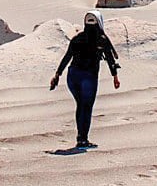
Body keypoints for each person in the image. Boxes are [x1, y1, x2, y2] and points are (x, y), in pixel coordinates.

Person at [50, 10, 121, 149]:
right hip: (88, 77)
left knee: (80, 105)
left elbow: (67, 57)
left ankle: (81, 138)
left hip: (73, 76)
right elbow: (110, 59)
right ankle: (82, 139)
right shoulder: (102, 39)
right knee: (86, 107)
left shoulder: (78, 38)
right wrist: (115, 77)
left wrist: (57, 74)